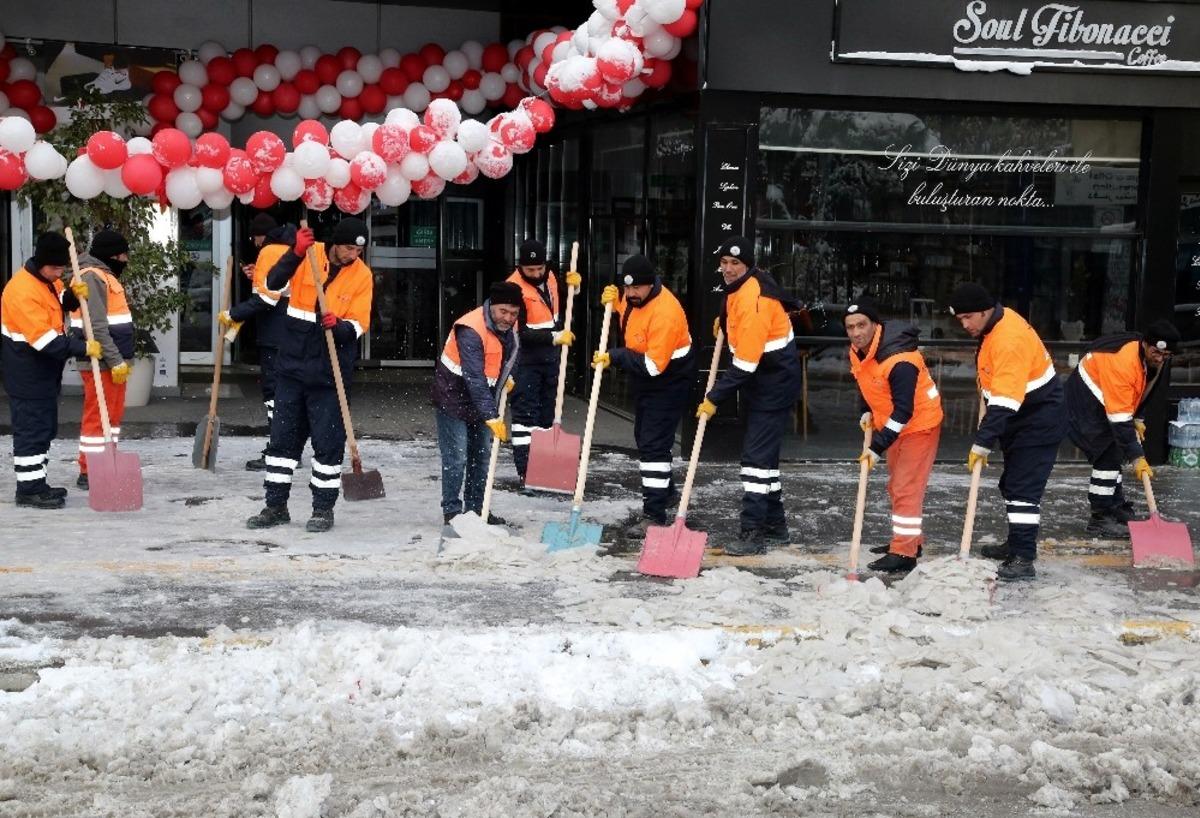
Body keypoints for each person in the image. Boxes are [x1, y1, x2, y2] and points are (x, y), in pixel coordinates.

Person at [244, 218, 374, 533]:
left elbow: (360, 323)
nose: (353, 254)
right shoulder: (308, 254)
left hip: (330, 373)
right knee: (282, 443)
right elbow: (273, 283)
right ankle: (275, 506)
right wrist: (295, 254)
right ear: (333, 243)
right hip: (291, 366)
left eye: (358, 249)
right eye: (348, 248)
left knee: (328, 446)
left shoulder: (362, 275)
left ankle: (322, 510)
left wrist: (340, 327)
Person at [950, 283, 1066, 581]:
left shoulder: (1008, 338)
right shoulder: (996, 323)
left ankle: (1023, 559)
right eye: (959, 319)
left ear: (985, 311)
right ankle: (1016, 544)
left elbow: (1004, 401)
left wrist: (982, 443)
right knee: (1012, 485)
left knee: (1023, 491)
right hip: (1023, 416)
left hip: (1038, 419)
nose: (964, 325)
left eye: (967, 318)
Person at [696, 237, 802, 556]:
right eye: (724, 262)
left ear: (748, 266)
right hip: (763, 380)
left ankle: (752, 532)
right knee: (764, 461)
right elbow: (739, 320)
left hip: (774, 382)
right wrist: (727, 326)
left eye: (735, 264)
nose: (728, 269)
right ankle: (775, 527)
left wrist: (714, 398)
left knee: (755, 461)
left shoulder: (754, 299)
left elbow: (744, 365)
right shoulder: (743, 287)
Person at [592, 255, 696, 538]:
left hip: (668, 378)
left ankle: (654, 514)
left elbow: (652, 366)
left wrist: (616, 356)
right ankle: (667, 493)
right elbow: (633, 314)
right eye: (627, 289)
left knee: (653, 445)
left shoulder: (665, 313)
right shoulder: (638, 299)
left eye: (636, 289)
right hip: (648, 377)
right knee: (645, 436)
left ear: (652, 284)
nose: (631, 294)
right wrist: (615, 304)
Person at [844, 295, 943, 573]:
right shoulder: (859, 350)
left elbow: (904, 411)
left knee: (906, 489)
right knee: (897, 486)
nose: (856, 333)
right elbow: (866, 380)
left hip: (918, 425)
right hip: (895, 424)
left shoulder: (900, 360)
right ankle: (909, 540)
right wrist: (867, 410)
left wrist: (876, 447)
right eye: (850, 327)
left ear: (876, 325)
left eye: (861, 325)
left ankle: (904, 554)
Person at [1, 232, 100, 509]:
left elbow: (55, 307)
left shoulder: (47, 281)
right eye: (55, 268)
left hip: (42, 374)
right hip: (27, 373)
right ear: (41, 262)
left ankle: (38, 483)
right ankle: (29, 490)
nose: (59, 274)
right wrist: (82, 348)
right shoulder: (22, 291)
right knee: (31, 431)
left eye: (62, 269)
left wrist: (70, 298)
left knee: (44, 429)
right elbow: (45, 341)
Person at [1065, 320, 1180, 537]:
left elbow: (1144, 388)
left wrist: (1138, 416)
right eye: (1156, 352)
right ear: (1145, 344)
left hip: (1109, 399)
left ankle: (1115, 506)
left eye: (1166, 355)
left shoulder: (1153, 358)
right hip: (1085, 403)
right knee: (1107, 455)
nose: (1160, 358)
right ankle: (1100, 517)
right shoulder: (1122, 362)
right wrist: (1137, 457)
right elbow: (1119, 419)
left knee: (1115, 451)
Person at [432, 281, 522, 525]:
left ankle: (476, 509)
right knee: (457, 457)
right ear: (491, 305)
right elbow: (474, 376)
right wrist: (491, 415)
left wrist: (508, 377)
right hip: (453, 398)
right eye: (503, 311)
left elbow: (512, 356)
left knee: (480, 457)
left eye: (514, 313)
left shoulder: (509, 329)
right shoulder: (471, 328)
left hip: (482, 399)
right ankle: (452, 511)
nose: (508, 317)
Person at [218, 213, 296, 471]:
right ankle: (289, 448)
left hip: (276, 335)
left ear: (260, 237)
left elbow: (266, 299)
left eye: (254, 239)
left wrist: (232, 314)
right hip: (295, 334)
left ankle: (278, 450)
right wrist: (256, 276)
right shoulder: (293, 248)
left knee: (275, 395)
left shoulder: (269, 251)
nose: (254, 244)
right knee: (289, 394)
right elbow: (278, 288)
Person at [506, 239, 578, 485]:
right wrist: (554, 337)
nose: (536, 274)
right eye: (530, 271)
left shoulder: (549, 277)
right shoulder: (512, 289)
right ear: (520, 267)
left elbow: (556, 309)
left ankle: (546, 469)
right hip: (524, 360)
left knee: (548, 415)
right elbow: (518, 333)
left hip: (550, 358)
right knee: (526, 417)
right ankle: (526, 472)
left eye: (540, 269)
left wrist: (574, 289)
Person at [69, 230, 135, 490]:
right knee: (99, 415)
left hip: (111, 362)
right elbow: (96, 326)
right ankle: (89, 469)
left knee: (111, 416)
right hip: (103, 362)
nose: (126, 259)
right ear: (112, 255)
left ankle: (106, 459)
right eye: (123, 254)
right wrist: (116, 359)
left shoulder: (104, 276)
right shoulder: (93, 278)